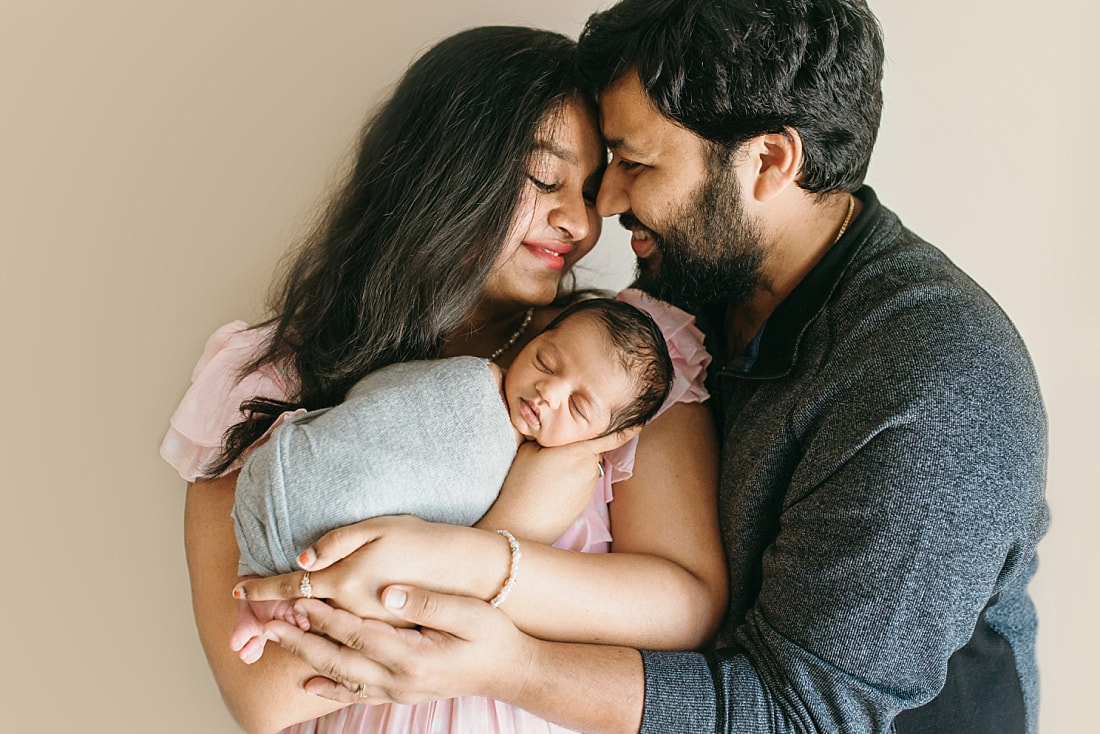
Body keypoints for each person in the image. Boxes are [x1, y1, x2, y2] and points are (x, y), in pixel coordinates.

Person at [244, 2, 1050, 733]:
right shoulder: (681, 303)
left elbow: (807, 718)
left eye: (634, 164)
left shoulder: (931, 380)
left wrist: (509, 662)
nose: (608, 205)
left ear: (769, 160)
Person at [166, 23, 725, 734]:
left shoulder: (620, 358)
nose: (580, 223)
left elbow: (683, 605)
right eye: (546, 179)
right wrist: (508, 532)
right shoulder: (262, 377)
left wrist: (465, 570)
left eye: (587, 190)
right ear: (444, 170)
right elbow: (266, 693)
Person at [229, 296, 675, 664]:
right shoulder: (471, 377)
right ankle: (263, 593)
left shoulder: (555, 480)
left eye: (579, 408)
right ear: (538, 337)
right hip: (295, 475)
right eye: (545, 361)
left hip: (300, 523)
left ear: (610, 437)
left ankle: (261, 610)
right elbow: (379, 395)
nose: (549, 392)